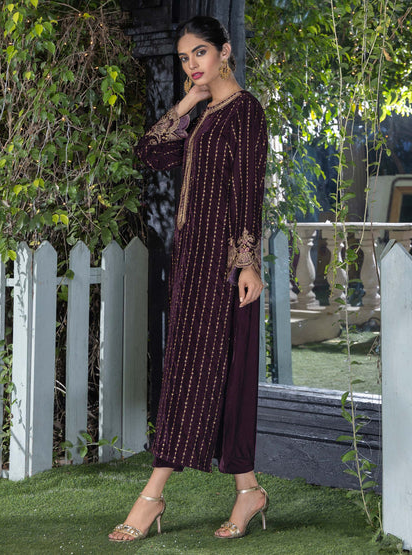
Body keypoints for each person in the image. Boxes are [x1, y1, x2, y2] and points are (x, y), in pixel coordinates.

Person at [109, 15, 268, 542]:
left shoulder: (245, 112)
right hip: (191, 260)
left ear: (225, 51)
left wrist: (247, 262)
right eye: (184, 57)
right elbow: (150, 151)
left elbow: (248, 189)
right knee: (201, 369)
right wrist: (186, 103)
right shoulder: (204, 115)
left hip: (222, 263)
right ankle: (248, 490)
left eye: (200, 52)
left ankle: (152, 494)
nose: (192, 64)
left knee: (197, 370)